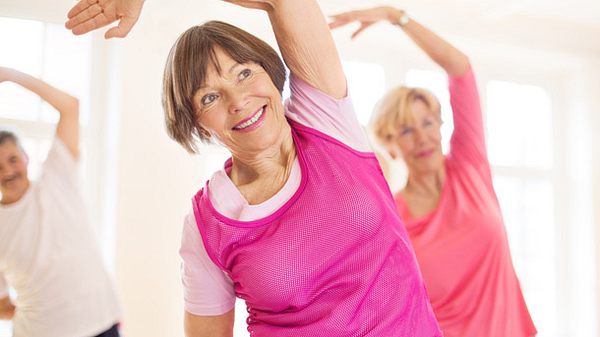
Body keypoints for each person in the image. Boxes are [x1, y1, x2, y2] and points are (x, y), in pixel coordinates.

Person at [65, 1, 443, 336]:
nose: (238, 100)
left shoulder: (326, 121)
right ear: (198, 124)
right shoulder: (207, 224)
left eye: (244, 73)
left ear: (269, 73)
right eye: (210, 96)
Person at [330, 6, 537, 337]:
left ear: (441, 124)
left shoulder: (471, 169)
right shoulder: (392, 215)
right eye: (407, 130)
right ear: (390, 142)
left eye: (427, 123)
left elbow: (461, 69)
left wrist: (395, 17)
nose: (423, 136)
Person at [0, 67, 121, 337]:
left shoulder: (58, 176)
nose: (8, 171)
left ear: (26, 157)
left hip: (100, 323)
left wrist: (9, 75)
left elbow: (70, 107)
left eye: (12, 160)